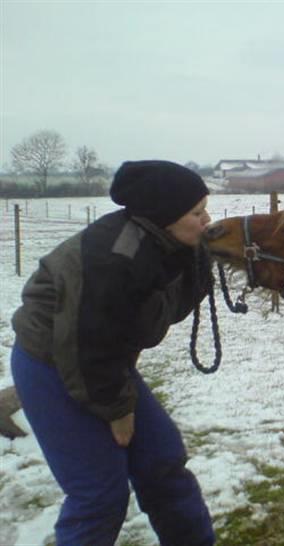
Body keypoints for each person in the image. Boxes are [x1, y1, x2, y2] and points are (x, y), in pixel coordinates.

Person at [11, 160, 216, 546]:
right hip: (53, 362)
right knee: (98, 493)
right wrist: (118, 411)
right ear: (164, 215)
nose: (208, 219)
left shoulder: (175, 245)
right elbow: (86, 342)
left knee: (162, 464)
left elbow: (157, 312)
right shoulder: (113, 258)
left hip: (106, 359)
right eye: (197, 212)